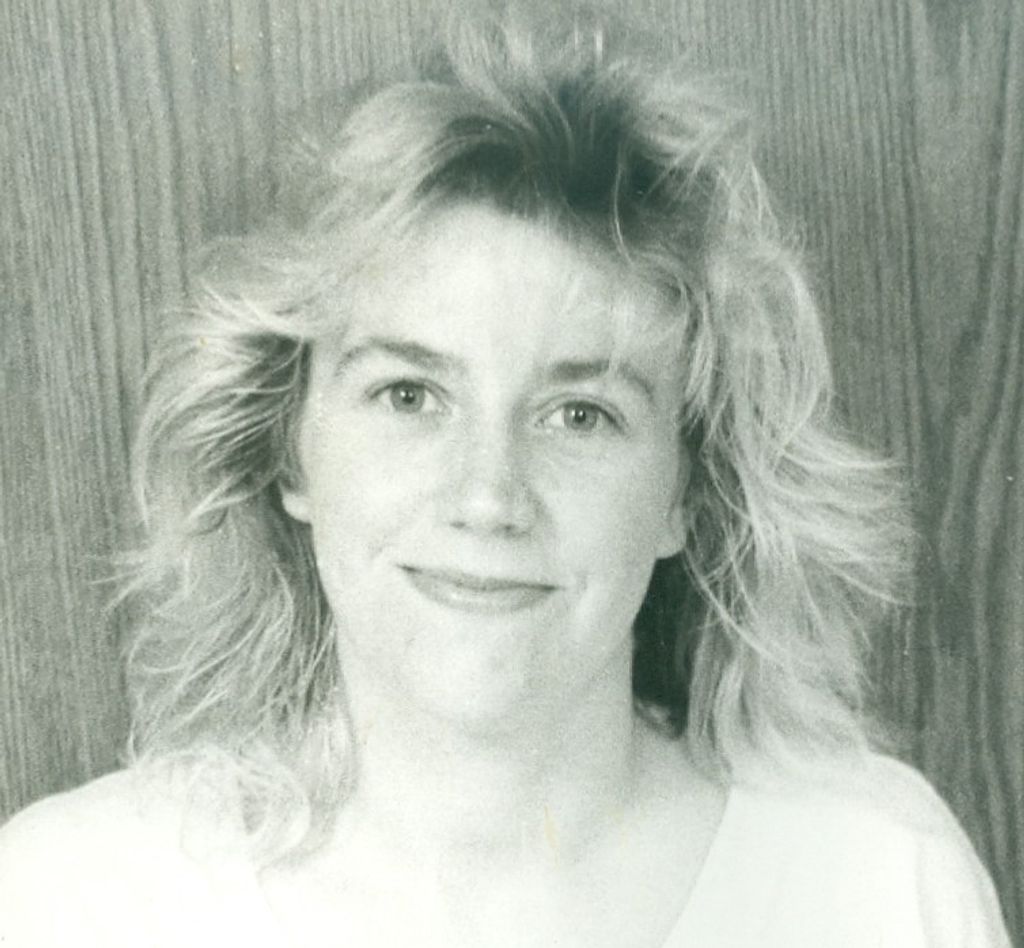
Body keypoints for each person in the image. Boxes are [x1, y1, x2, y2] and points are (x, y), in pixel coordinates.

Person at [0, 3, 1012, 945]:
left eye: (580, 414)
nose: (489, 498)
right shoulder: (67, 901)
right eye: (408, 395)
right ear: (288, 449)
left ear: (685, 490)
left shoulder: (880, 881)